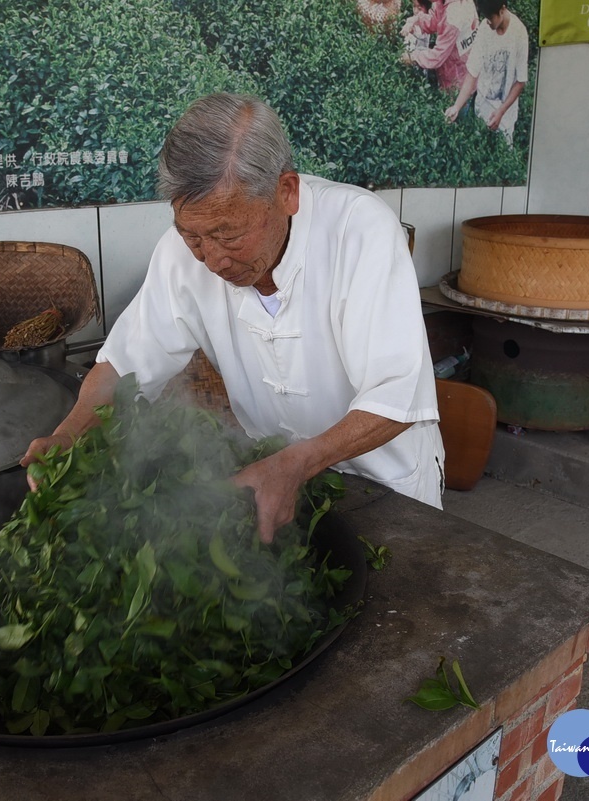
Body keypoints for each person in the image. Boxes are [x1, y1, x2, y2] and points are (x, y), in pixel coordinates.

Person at [22, 93, 445, 543]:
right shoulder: (181, 253)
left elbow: (398, 394)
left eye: (229, 235)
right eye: (194, 237)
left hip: (385, 487)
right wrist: (73, 429)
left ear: (287, 192)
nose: (213, 260)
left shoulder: (361, 231)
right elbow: (125, 366)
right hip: (267, 480)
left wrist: (297, 463)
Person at [443, 0, 528, 143]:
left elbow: (520, 82)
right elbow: (472, 73)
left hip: (505, 114)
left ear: (502, 10)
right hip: (482, 108)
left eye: (490, 18)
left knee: (502, 154)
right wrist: (456, 107)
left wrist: (501, 111)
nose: (487, 23)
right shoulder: (484, 29)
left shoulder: (519, 33)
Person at [400, 0, 479, 94]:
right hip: (460, 65)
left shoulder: (454, 15)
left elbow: (437, 56)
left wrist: (412, 57)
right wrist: (417, 20)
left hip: (459, 77)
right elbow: (436, 20)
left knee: (455, 102)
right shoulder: (443, 2)